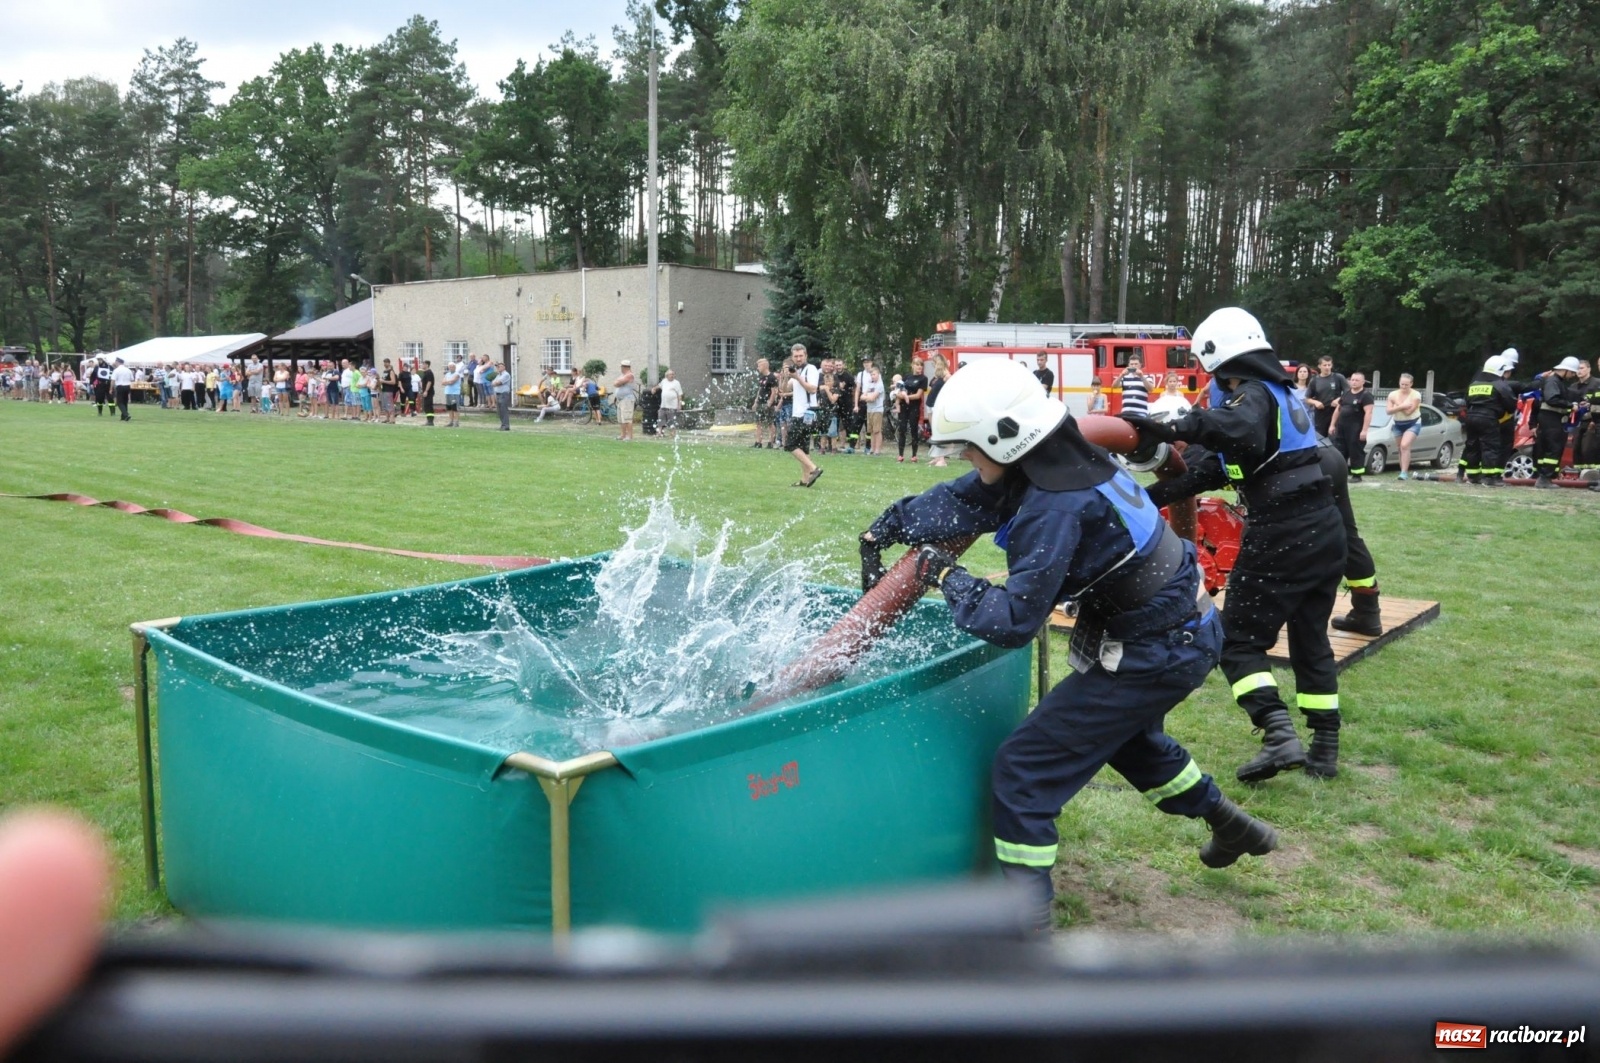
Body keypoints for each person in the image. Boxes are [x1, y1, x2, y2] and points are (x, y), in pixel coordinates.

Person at [860, 358, 1275, 928]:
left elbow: (1012, 622)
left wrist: (944, 573)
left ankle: (1029, 933)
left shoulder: (1054, 507)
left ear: (1004, 438)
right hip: (1182, 632)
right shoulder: (1061, 456)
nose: (965, 461)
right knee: (1127, 741)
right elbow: (967, 498)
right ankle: (1234, 826)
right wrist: (892, 524)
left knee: (1022, 772)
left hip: (1157, 651)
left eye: (967, 450)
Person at [1128, 307, 1346, 782]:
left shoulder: (1249, 397)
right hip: (1323, 530)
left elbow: (1235, 428)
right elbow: (1209, 472)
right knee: (1311, 640)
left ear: (1216, 359)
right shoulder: (1282, 394)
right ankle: (1325, 747)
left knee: (1238, 642)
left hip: (1284, 533)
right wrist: (1144, 499)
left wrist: (1177, 426)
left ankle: (1277, 733)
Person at [1460, 355, 1516, 485]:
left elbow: (1467, 401)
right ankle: (1489, 478)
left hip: (1471, 417)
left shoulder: (1474, 384)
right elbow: (1511, 405)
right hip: (1489, 418)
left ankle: (1473, 476)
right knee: (1490, 447)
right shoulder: (1500, 385)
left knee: (1473, 446)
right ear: (1500, 370)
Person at [785, 343, 823, 485]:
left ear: (806, 355)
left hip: (807, 412)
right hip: (799, 413)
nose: (799, 358)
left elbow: (812, 389)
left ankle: (814, 468)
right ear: (792, 357)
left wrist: (797, 377)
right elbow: (783, 391)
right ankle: (805, 480)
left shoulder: (810, 369)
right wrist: (785, 376)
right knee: (802, 446)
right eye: (796, 356)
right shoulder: (795, 372)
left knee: (790, 445)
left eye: (801, 356)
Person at [1328, 370, 1374, 481]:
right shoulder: (1346, 393)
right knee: (1340, 451)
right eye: (1352, 380)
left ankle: (1357, 475)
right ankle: (1340, 474)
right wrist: (1332, 425)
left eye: (1357, 380)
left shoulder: (1366, 395)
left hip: (1356, 428)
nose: (1354, 382)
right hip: (1342, 427)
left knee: (1355, 452)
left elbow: (1369, 413)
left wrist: (1364, 430)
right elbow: (1338, 409)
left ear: (1363, 382)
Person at [1386, 373, 1423, 479]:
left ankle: (1404, 472)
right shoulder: (1392, 394)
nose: (1404, 387)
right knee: (1400, 448)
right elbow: (1388, 411)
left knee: (1405, 445)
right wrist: (1402, 405)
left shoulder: (1416, 395)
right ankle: (1403, 471)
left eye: (1406, 385)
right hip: (1398, 423)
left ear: (1411, 384)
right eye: (1402, 384)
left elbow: (1409, 412)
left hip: (1413, 423)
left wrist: (1396, 404)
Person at [1304, 356, 1347, 438]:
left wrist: (1339, 399)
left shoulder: (1338, 377)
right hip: (1321, 414)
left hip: (1336, 412)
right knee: (1320, 438)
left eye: (1329, 365)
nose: (1327, 367)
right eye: (1325, 365)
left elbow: (1348, 392)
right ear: (1319, 366)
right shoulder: (1314, 380)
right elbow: (1307, 398)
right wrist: (1315, 402)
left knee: (1335, 438)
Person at [897, 357, 927, 463]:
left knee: (914, 429)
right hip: (904, 406)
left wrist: (906, 397)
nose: (919, 367)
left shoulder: (923, 378)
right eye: (917, 364)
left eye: (921, 365)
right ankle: (900, 454)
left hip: (914, 406)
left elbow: (918, 395)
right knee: (902, 429)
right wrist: (901, 396)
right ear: (913, 365)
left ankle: (914, 455)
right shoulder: (907, 377)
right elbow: (900, 389)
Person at [925, 359, 950, 466]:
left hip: (937, 405)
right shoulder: (936, 376)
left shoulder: (947, 375)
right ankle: (936, 457)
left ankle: (942, 459)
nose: (933, 366)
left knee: (939, 432)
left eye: (935, 364)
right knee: (934, 432)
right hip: (930, 404)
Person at [751, 358, 780, 448]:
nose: (757, 368)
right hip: (760, 402)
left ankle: (771, 442)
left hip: (768, 404)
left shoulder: (772, 377)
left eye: (759, 366)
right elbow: (760, 390)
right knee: (758, 423)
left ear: (764, 366)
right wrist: (756, 402)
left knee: (770, 423)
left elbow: (774, 391)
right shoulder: (762, 378)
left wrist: (769, 403)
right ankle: (758, 442)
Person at [860, 361, 885, 455]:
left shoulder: (880, 385)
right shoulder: (870, 384)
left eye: (874, 374)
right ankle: (872, 448)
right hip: (869, 410)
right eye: (871, 375)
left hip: (877, 410)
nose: (872, 376)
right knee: (871, 430)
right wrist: (867, 398)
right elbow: (862, 396)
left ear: (878, 374)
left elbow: (872, 398)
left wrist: (867, 398)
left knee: (877, 430)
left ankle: (877, 450)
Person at [614, 360, 638, 440]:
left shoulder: (629, 375)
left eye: (621, 366)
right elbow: (615, 383)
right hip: (621, 400)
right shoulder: (622, 375)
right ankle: (623, 435)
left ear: (624, 367)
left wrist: (619, 382)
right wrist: (619, 382)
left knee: (627, 418)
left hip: (627, 399)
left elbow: (617, 383)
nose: (621, 368)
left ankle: (629, 436)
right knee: (621, 418)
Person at [657, 368, 683, 439]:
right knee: (661, 418)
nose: (672, 375)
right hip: (663, 405)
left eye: (673, 374)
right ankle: (660, 432)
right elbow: (659, 386)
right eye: (671, 374)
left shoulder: (676, 383)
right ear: (667, 375)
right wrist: (654, 389)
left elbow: (679, 394)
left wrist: (679, 404)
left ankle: (673, 433)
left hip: (672, 406)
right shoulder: (664, 381)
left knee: (672, 420)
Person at [490, 360, 513, 430]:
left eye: (500, 367)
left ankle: (506, 425)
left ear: (504, 367)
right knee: (499, 411)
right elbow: (493, 382)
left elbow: (498, 383)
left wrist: (495, 383)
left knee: (503, 410)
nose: (498, 368)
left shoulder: (506, 374)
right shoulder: (498, 375)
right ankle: (503, 424)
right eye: (497, 367)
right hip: (498, 394)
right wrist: (494, 383)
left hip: (503, 394)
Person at [441, 357, 462, 427]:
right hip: (448, 392)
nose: (451, 368)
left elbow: (452, 381)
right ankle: (451, 421)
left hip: (455, 393)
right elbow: (443, 382)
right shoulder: (447, 374)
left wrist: (447, 382)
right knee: (449, 408)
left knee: (455, 408)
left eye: (452, 366)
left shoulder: (457, 374)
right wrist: (448, 382)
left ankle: (456, 422)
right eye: (449, 367)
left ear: (455, 367)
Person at [379, 358, 400, 423]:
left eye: (386, 362)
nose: (385, 364)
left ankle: (392, 419)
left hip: (389, 390)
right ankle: (387, 418)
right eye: (384, 362)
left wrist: (384, 381)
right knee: (385, 405)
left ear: (389, 363)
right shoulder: (384, 371)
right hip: (384, 390)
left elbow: (393, 382)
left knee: (390, 405)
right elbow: (383, 380)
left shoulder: (391, 371)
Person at [418, 359, 436, 426]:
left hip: (429, 392)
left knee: (428, 406)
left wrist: (426, 391)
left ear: (427, 365)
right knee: (426, 406)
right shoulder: (424, 372)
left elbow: (429, 382)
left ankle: (430, 421)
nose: (422, 365)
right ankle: (428, 420)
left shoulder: (429, 372)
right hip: (425, 392)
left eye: (423, 364)